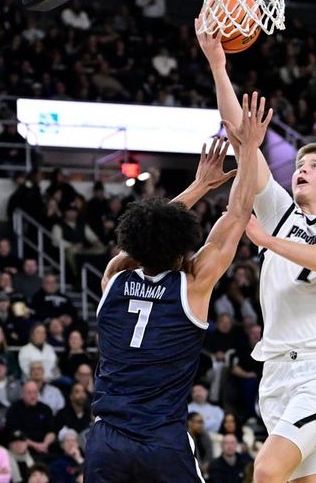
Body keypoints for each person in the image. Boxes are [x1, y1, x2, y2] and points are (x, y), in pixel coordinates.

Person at [198, 19, 316, 483]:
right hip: (275, 370)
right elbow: (241, 135)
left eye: (314, 166)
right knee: (305, 480)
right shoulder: (280, 209)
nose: (302, 170)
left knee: (266, 471)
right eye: (299, 164)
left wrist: (267, 242)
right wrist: (219, 66)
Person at [84, 94, 270, 483]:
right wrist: (249, 149)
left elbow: (148, 232)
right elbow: (237, 214)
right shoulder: (192, 286)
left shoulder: (114, 276)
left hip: (106, 440)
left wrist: (198, 186)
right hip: (160, 440)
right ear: (182, 245)